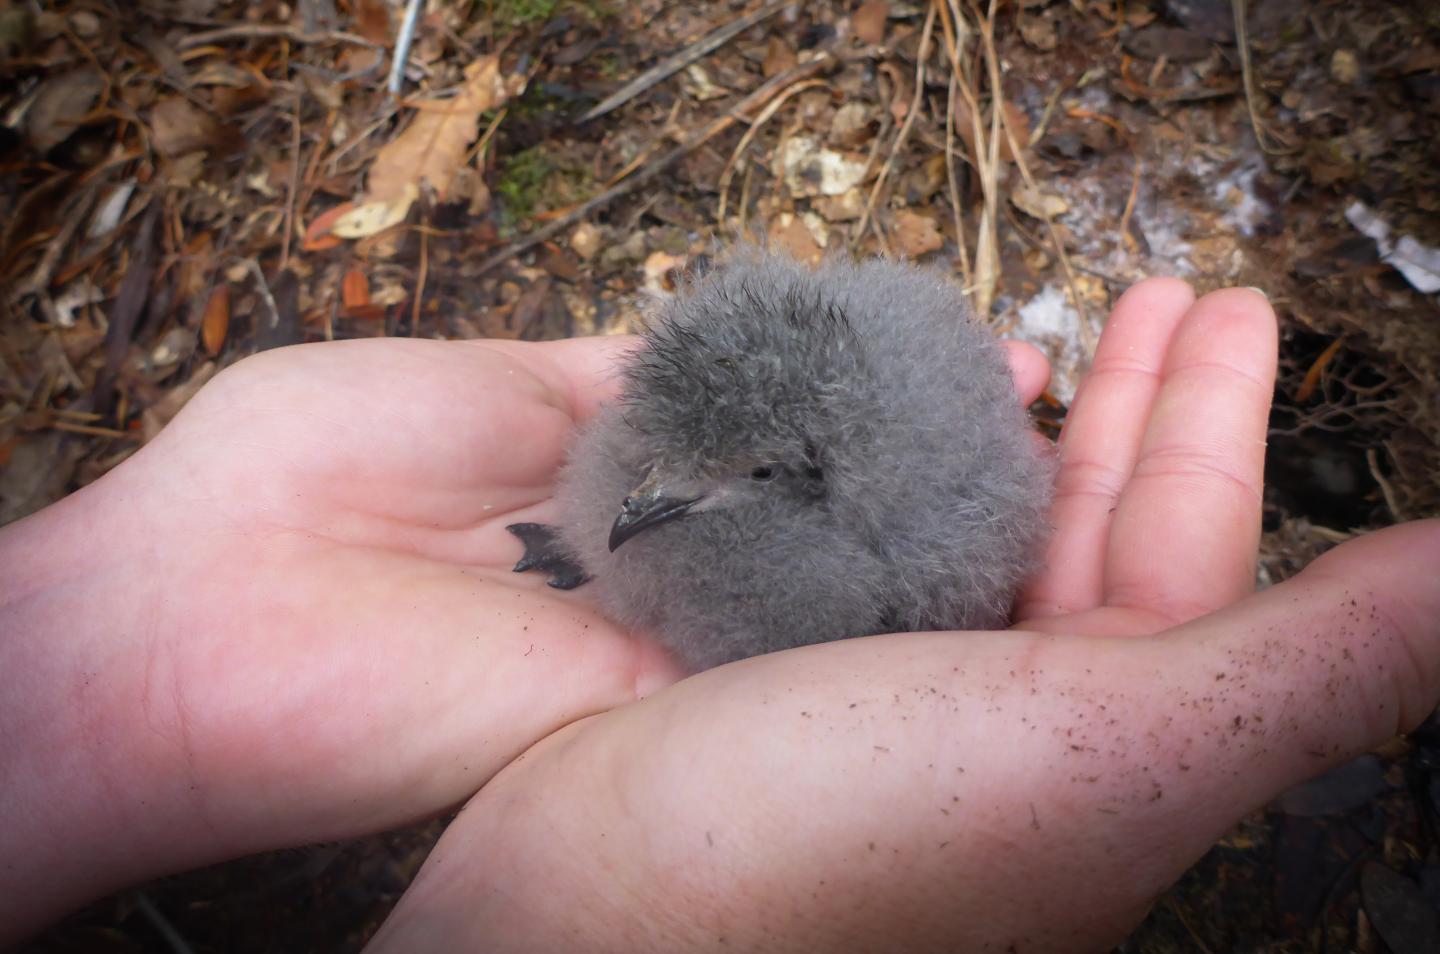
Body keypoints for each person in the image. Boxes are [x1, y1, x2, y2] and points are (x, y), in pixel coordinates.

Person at [1, 278, 1436, 952]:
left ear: (806, 469)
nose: (637, 500)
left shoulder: (897, 563)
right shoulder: (650, 459)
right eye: (654, 452)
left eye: (718, 476)